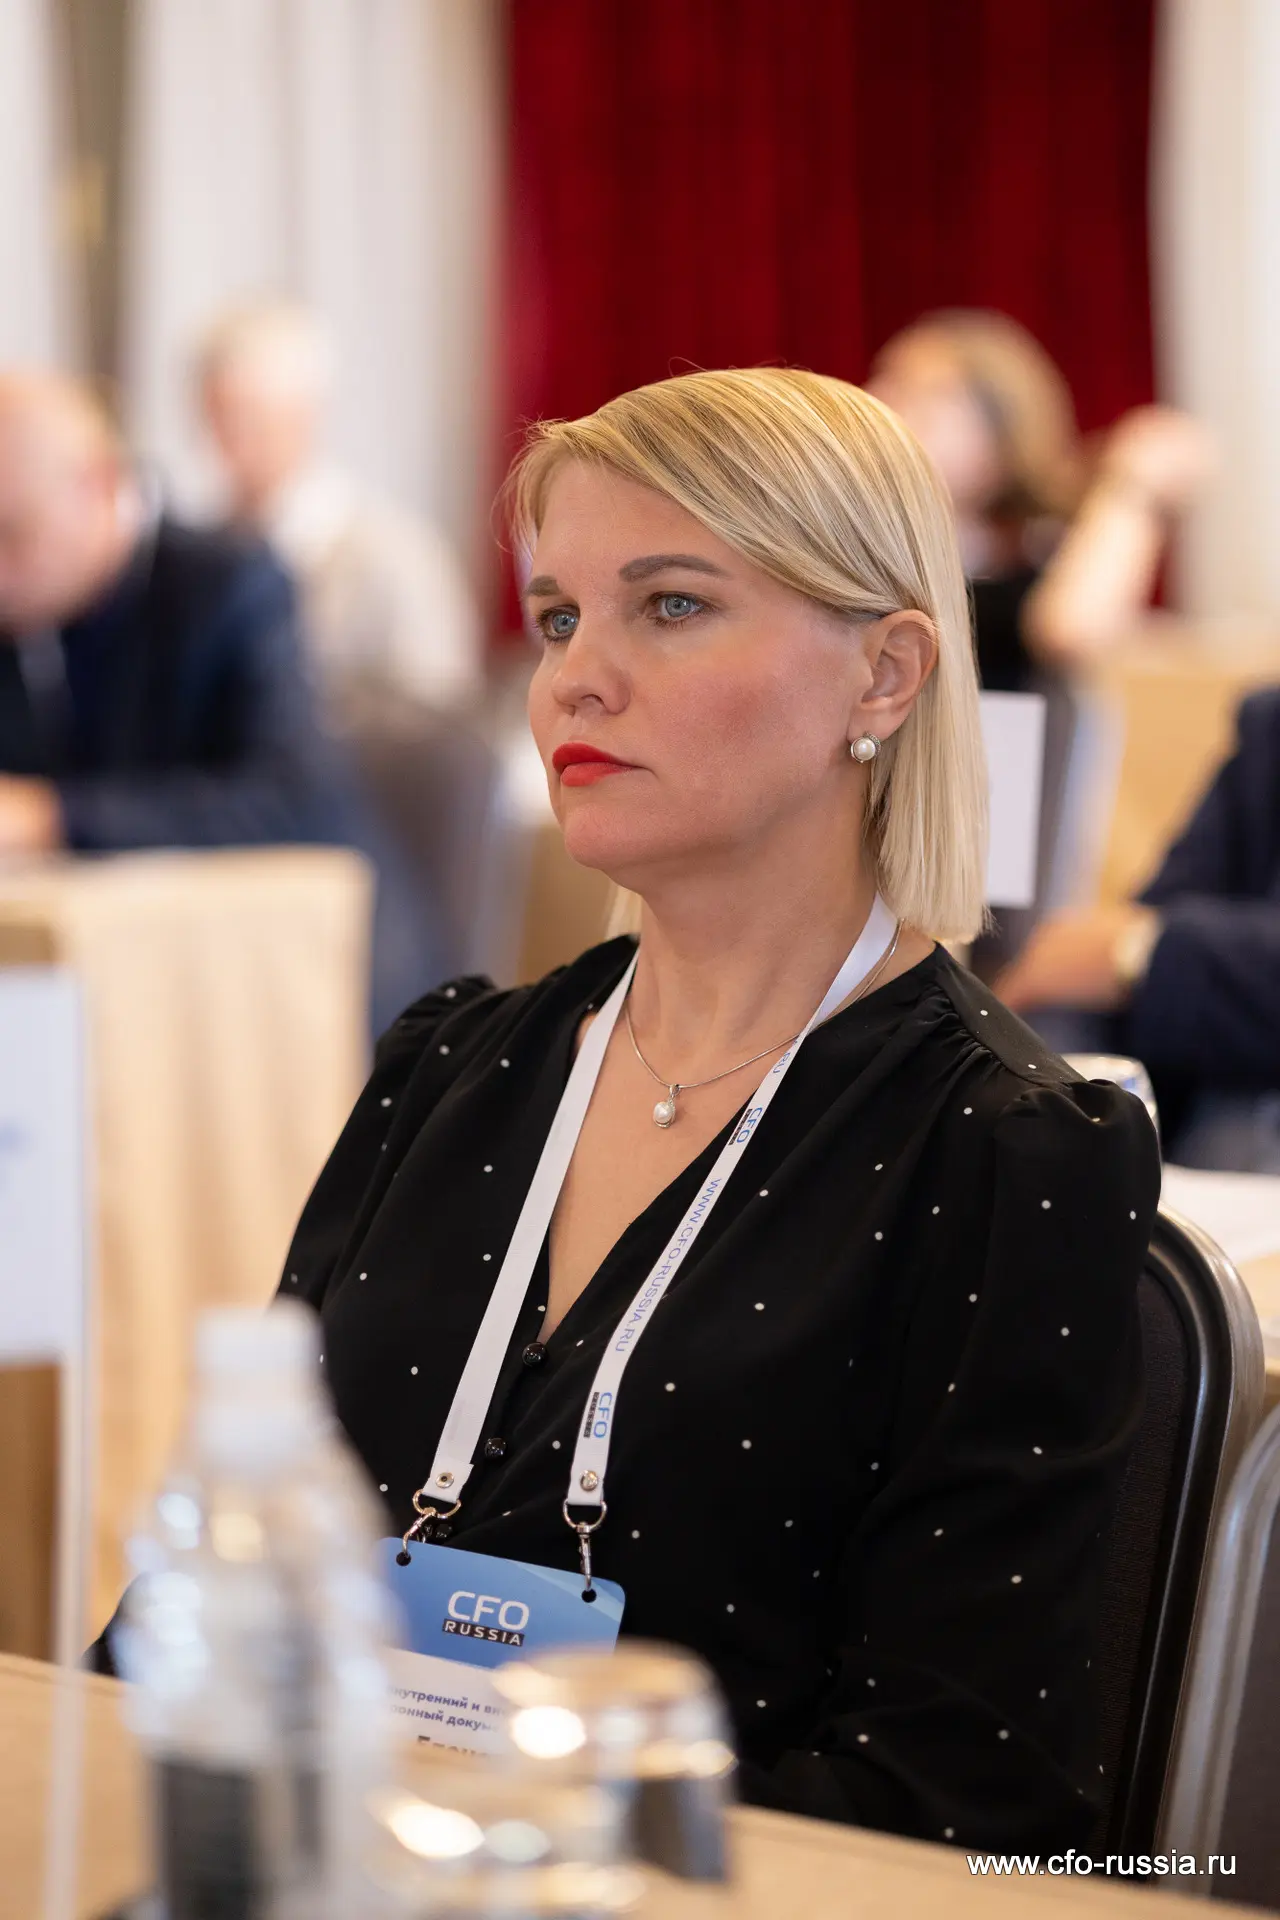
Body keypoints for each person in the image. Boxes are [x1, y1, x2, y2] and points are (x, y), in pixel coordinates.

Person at [276, 368, 1158, 1850]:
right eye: (558, 618)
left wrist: (480, 1844)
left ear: (883, 677)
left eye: (670, 605)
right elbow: (226, 1594)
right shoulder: (448, 1068)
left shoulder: (1005, 1155)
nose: (574, 677)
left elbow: (958, 1805)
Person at [0, 369, 440, 1031]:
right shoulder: (30, 613)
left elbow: (285, 802)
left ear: (98, 485)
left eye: (13, 535)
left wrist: (50, 818)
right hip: (123, 979)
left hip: (309, 991)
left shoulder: (235, 584)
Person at [998, 687, 1280, 1172]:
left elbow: (1139, 935)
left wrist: (1136, 952)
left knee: (1238, 1120)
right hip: (1200, 1078)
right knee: (1042, 1042)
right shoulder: (1269, 727)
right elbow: (1168, 900)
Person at [866, 309, 1211, 691]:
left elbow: (1074, 630)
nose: (879, 401)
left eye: (923, 398)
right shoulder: (868, 550)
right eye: (882, 383)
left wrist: (1133, 485)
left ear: (1001, 434)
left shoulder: (1031, 554)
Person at [197, 301, 483, 730]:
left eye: (249, 415)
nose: (229, 436)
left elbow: (440, 727)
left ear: (304, 414)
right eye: (217, 414)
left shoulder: (396, 556)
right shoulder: (206, 555)